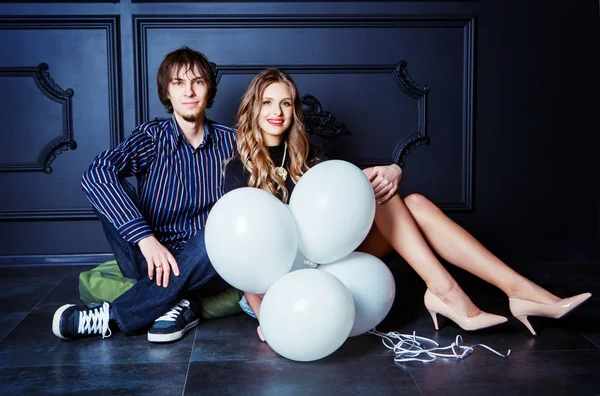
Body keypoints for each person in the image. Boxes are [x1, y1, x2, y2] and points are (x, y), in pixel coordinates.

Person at [224, 68, 591, 340]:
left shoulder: (310, 159)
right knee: (393, 200)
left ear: (294, 111)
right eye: (268, 102)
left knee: (408, 200)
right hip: (281, 291)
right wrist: (268, 319)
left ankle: (514, 291)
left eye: (285, 103)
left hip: (331, 263)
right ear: (254, 109)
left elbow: (339, 213)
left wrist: (393, 169)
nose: (277, 111)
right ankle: (458, 294)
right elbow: (244, 261)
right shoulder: (238, 171)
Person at [52, 47, 237, 343]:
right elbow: (95, 174)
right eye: (178, 83)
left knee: (222, 230)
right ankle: (176, 302)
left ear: (209, 89)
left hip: (205, 263)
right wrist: (145, 238)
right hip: (147, 259)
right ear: (167, 92)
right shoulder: (152, 136)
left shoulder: (232, 143)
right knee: (112, 186)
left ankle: (111, 316)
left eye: (198, 82)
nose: (188, 91)